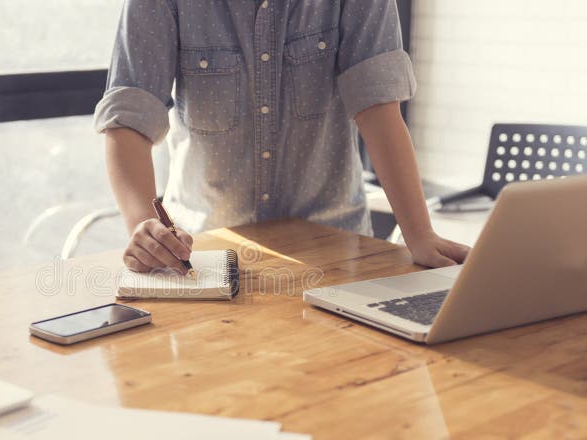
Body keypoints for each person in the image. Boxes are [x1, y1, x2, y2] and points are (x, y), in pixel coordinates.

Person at [94, 0, 470, 275]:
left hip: (336, 250)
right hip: (204, 257)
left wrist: (419, 233)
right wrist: (145, 227)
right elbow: (129, 119)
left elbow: (379, 109)